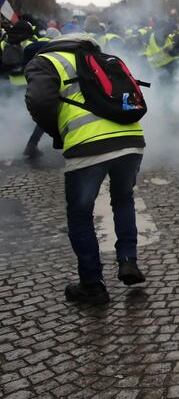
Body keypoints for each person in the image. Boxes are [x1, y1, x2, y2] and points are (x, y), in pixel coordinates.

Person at [24, 34, 147, 305]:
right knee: (124, 200)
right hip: (131, 139)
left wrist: (58, 132)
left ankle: (92, 284)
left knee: (80, 215)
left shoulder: (45, 61)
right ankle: (128, 260)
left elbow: (39, 102)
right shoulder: (104, 58)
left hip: (86, 143)